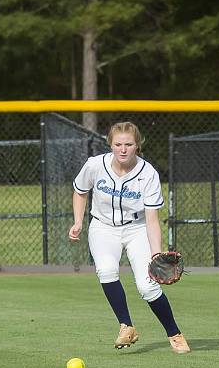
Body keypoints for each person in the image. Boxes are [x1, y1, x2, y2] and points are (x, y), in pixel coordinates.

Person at [68, 121, 191, 354]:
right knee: (106, 270)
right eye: (118, 144)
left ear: (137, 145)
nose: (123, 149)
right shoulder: (95, 165)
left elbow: (152, 218)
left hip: (137, 229)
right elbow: (80, 191)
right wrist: (78, 221)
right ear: (110, 144)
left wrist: (156, 253)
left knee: (147, 287)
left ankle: (174, 334)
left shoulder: (148, 174)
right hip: (103, 227)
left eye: (128, 144)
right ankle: (126, 326)